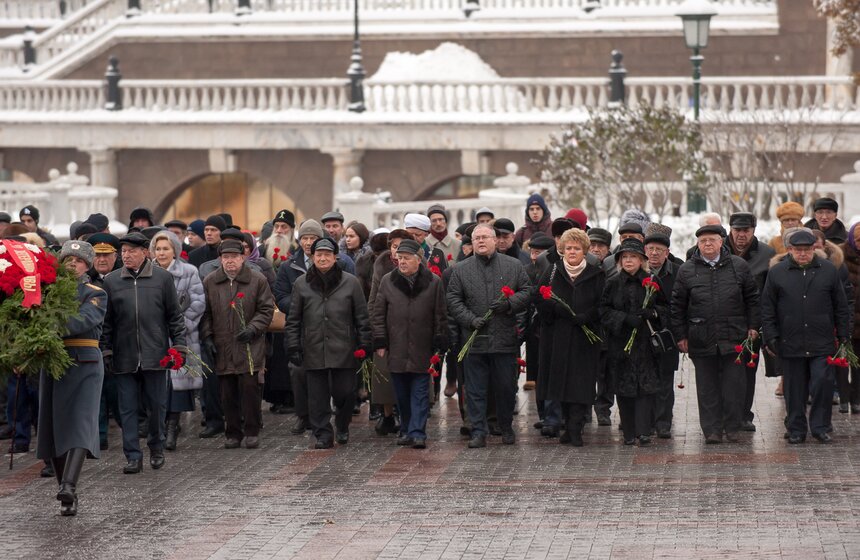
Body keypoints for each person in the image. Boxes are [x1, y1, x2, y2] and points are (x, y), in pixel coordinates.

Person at [101, 232, 187, 474]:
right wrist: (106, 351)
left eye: (131, 251)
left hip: (156, 354)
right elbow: (107, 322)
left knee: (157, 406)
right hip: (124, 356)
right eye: (123, 251)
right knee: (127, 408)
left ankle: (156, 447)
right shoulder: (112, 281)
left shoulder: (162, 278)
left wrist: (179, 347)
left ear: (144, 253)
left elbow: (174, 317)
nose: (126, 255)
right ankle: (132, 455)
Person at [671, 224, 760, 444]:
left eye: (712, 240)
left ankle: (732, 427)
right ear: (697, 244)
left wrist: (753, 326)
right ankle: (711, 430)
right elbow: (677, 306)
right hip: (701, 337)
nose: (708, 244)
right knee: (706, 388)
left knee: (734, 387)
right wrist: (681, 335)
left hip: (735, 336)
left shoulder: (738, 266)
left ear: (722, 242)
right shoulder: (687, 270)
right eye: (703, 241)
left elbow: (752, 299)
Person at [37, 240, 107, 516]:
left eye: (78, 261)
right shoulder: (49, 291)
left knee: (79, 424)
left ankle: (69, 485)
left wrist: (47, 328)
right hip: (54, 362)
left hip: (85, 363)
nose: (73, 265)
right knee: (51, 429)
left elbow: (82, 321)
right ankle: (65, 491)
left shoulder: (96, 292)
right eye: (67, 260)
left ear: (87, 265)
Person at [762, 229, 850, 444]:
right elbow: (767, 307)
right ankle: (796, 429)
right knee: (794, 388)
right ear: (789, 250)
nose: (802, 254)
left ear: (814, 249)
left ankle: (820, 427)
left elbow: (840, 305)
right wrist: (771, 335)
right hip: (790, 340)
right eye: (797, 250)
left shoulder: (828, 270)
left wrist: (844, 334)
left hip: (821, 339)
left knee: (822, 383)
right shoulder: (777, 272)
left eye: (807, 250)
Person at [447, 224, 531, 448]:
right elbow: (454, 300)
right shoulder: (460, 269)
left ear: (495, 240)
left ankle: (505, 426)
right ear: (471, 243)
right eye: (476, 239)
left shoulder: (513, 266)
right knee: (475, 389)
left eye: (485, 237)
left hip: (503, 339)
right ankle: (478, 430)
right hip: (474, 339)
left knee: (505, 387)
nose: (481, 241)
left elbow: (526, 291)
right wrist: (470, 320)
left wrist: (509, 304)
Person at [286, 238, 371, 449]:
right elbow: (293, 319)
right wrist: (293, 345)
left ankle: (342, 424)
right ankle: (322, 433)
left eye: (327, 254)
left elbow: (362, 316)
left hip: (344, 347)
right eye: (318, 255)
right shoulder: (301, 283)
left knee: (345, 392)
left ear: (335, 257)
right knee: (317, 396)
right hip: (313, 347)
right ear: (312, 257)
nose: (322, 258)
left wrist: (364, 343)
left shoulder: (350, 282)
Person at [372, 239, 448, 448]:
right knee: (401, 393)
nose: (402, 262)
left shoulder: (433, 281)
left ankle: (418, 432)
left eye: (406, 258)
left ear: (418, 260)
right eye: (400, 258)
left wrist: (439, 342)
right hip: (396, 345)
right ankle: (406, 429)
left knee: (420, 391)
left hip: (423, 346)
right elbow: (379, 313)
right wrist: (379, 340)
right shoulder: (388, 281)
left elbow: (440, 315)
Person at [201, 239, 274, 449]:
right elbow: (204, 313)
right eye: (226, 257)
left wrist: (253, 328)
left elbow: (266, 309)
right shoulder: (210, 281)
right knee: (227, 391)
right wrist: (207, 336)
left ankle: (252, 431)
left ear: (242, 258)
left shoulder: (257, 279)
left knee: (250, 388)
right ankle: (232, 433)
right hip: (223, 344)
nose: (230, 261)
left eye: (234, 257)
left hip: (250, 344)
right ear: (220, 259)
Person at [536, 228, 604, 446]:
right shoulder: (552, 271)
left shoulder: (596, 274)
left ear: (584, 251)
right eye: (568, 248)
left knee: (580, 383)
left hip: (584, 338)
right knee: (559, 382)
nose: (572, 251)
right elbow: (538, 297)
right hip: (557, 337)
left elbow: (603, 304)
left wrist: (587, 316)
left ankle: (575, 427)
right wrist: (555, 309)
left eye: (576, 248)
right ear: (562, 250)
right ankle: (567, 425)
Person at [600, 238, 667, 446]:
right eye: (625, 257)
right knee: (624, 389)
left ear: (641, 260)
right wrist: (623, 318)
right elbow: (603, 310)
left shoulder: (652, 281)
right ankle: (628, 432)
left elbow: (666, 309)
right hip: (620, 343)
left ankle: (644, 431)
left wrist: (652, 313)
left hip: (645, 344)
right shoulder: (612, 282)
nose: (628, 261)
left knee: (645, 389)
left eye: (633, 257)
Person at [150, 230, 205, 452]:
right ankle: (159, 427)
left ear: (175, 250)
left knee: (177, 386)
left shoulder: (189, 272)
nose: (161, 253)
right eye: (158, 248)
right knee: (156, 384)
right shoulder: (146, 272)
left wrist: (179, 327)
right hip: (153, 338)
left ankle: (172, 427)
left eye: (166, 248)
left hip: (181, 337)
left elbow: (198, 302)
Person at [726, 212, 776, 432]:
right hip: (723, 323)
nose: (741, 235)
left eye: (746, 231)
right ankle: (724, 414)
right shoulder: (719, 249)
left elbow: (771, 292)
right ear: (730, 230)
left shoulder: (766, 254)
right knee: (723, 372)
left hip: (752, 325)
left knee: (747, 371)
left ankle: (744, 414)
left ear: (753, 230)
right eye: (737, 230)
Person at [367, 229, 415, 435]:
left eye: (402, 246)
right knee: (384, 374)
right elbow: (374, 301)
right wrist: (377, 330)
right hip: (387, 327)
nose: (397, 252)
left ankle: (411, 417)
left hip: (413, 328)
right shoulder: (381, 268)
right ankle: (387, 414)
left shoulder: (417, 265)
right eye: (394, 247)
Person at [643, 229, 680, 439]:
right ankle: (646, 421)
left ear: (667, 253)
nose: (654, 253)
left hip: (668, 335)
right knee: (646, 380)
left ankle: (664, 421)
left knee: (665, 381)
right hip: (643, 336)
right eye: (650, 249)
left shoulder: (677, 271)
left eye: (659, 249)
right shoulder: (638, 271)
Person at [523, 233, 555, 393]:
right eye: (533, 252)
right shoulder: (527, 270)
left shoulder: (554, 270)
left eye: (539, 252)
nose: (535, 257)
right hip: (531, 321)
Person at [840, 223, 860, 414]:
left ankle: (856, 399)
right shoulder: (841, 257)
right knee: (842, 364)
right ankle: (844, 398)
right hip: (845, 319)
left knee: (858, 365)